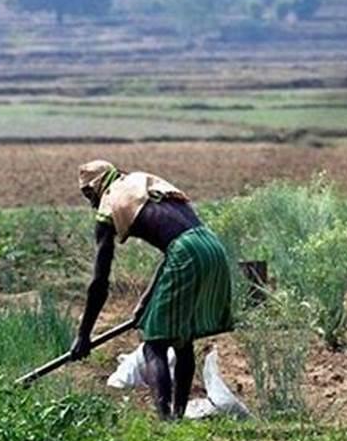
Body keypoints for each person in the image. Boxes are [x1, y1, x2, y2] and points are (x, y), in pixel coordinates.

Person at [70, 160, 233, 420]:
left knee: (154, 344)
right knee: (183, 339)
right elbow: (173, 245)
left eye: (89, 195)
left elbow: (100, 282)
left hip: (186, 251)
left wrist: (83, 335)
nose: (90, 203)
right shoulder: (141, 182)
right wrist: (145, 301)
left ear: (98, 187)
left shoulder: (108, 205)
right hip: (211, 245)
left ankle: (166, 422)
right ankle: (177, 417)